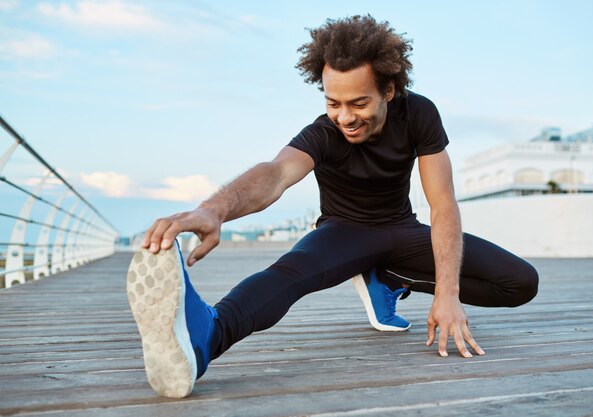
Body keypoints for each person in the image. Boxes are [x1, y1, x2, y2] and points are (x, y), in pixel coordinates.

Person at [127, 15, 539, 398]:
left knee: (520, 282)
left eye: (359, 103)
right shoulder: (323, 134)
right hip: (344, 232)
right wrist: (214, 209)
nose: (345, 117)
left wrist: (448, 294)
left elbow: (443, 204)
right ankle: (204, 337)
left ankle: (390, 277)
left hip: (401, 228)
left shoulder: (419, 113)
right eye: (333, 103)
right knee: (289, 275)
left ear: (389, 91)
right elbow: (275, 174)